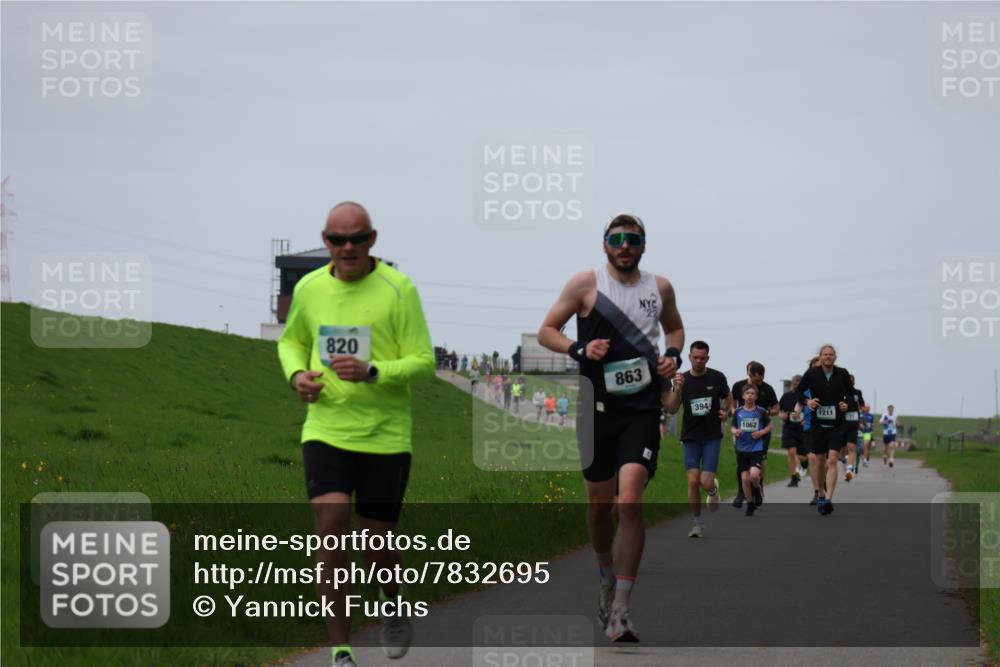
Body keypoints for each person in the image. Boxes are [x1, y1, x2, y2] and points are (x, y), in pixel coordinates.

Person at [278, 201, 435, 667]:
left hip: (385, 435)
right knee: (330, 532)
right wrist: (295, 376)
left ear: (373, 239)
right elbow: (291, 340)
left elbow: (423, 362)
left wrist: (372, 371)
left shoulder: (398, 289)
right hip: (325, 430)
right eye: (337, 239)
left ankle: (391, 598)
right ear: (325, 240)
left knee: (374, 542)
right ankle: (341, 650)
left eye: (357, 238)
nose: (348, 248)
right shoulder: (308, 288)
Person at [538, 213, 684, 642]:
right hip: (595, 407)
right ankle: (605, 578)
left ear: (643, 246)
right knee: (600, 507)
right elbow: (547, 330)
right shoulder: (585, 284)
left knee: (631, 501)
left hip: (641, 407)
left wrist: (672, 354)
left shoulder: (659, 288)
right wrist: (579, 346)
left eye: (632, 239)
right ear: (604, 245)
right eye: (617, 239)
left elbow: (674, 327)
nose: (624, 245)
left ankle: (621, 607)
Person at [663, 340, 730, 537]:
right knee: (693, 481)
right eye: (695, 357)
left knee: (706, 481)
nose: (699, 361)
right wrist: (677, 389)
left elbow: (729, 397)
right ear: (690, 357)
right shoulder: (681, 379)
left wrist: (725, 411)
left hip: (711, 437)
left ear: (707, 358)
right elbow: (673, 408)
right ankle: (697, 523)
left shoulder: (717, 377)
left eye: (702, 358)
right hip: (691, 436)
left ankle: (712, 491)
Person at [796, 344, 851, 516]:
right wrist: (808, 402)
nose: (828, 357)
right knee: (819, 461)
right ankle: (820, 493)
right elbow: (799, 391)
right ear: (820, 357)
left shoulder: (842, 373)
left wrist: (846, 403)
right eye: (825, 354)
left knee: (832, 459)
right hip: (818, 424)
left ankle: (828, 499)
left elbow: (851, 394)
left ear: (835, 357)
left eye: (831, 354)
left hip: (836, 423)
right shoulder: (812, 374)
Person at [730, 362, 779, 507]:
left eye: (761, 379)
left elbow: (776, 408)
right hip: (741, 431)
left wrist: (765, 413)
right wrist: (735, 412)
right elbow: (733, 403)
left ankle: (758, 484)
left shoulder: (768, 388)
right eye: (757, 380)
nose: (760, 382)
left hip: (761, 432)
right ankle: (741, 493)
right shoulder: (738, 386)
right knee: (741, 460)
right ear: (749, 375)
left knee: (760, 461)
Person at [731, 385, 772, 517]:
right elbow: (732, 427)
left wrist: (761, 432)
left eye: (752, 393)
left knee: (754, 475)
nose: (750, 395)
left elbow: (770, 425)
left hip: (756, 448)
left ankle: (757, 489)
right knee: (744, 479)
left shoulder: (761, 411)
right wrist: (735, 431)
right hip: (742, 449)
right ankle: (750, 504)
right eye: (747, 393)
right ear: (743, 396)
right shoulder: (738, 412)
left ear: (756, 396)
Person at [778, 375, 807, 487]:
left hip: (803, 430)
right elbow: (779, 410)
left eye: (799, 383)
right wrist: (781, 416)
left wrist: (806, 420)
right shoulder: (786, 396)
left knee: (803, 456)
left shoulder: (806, 397)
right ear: (791, 384)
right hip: (789, 428)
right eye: (794, 382)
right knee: (791, 453)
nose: (796, 384)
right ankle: (794, 477)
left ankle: (804, 463)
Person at [843, 376, 866, 482]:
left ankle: (849, 470)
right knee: (842, 447)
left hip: (853, 423)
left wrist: (861, 414)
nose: (851, 382)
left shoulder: (858, 392)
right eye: (849, 380)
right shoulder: (840, 392)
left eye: (853, 380)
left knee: (851, 446)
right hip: (842, 423)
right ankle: (844, 460)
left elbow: (862, 405)